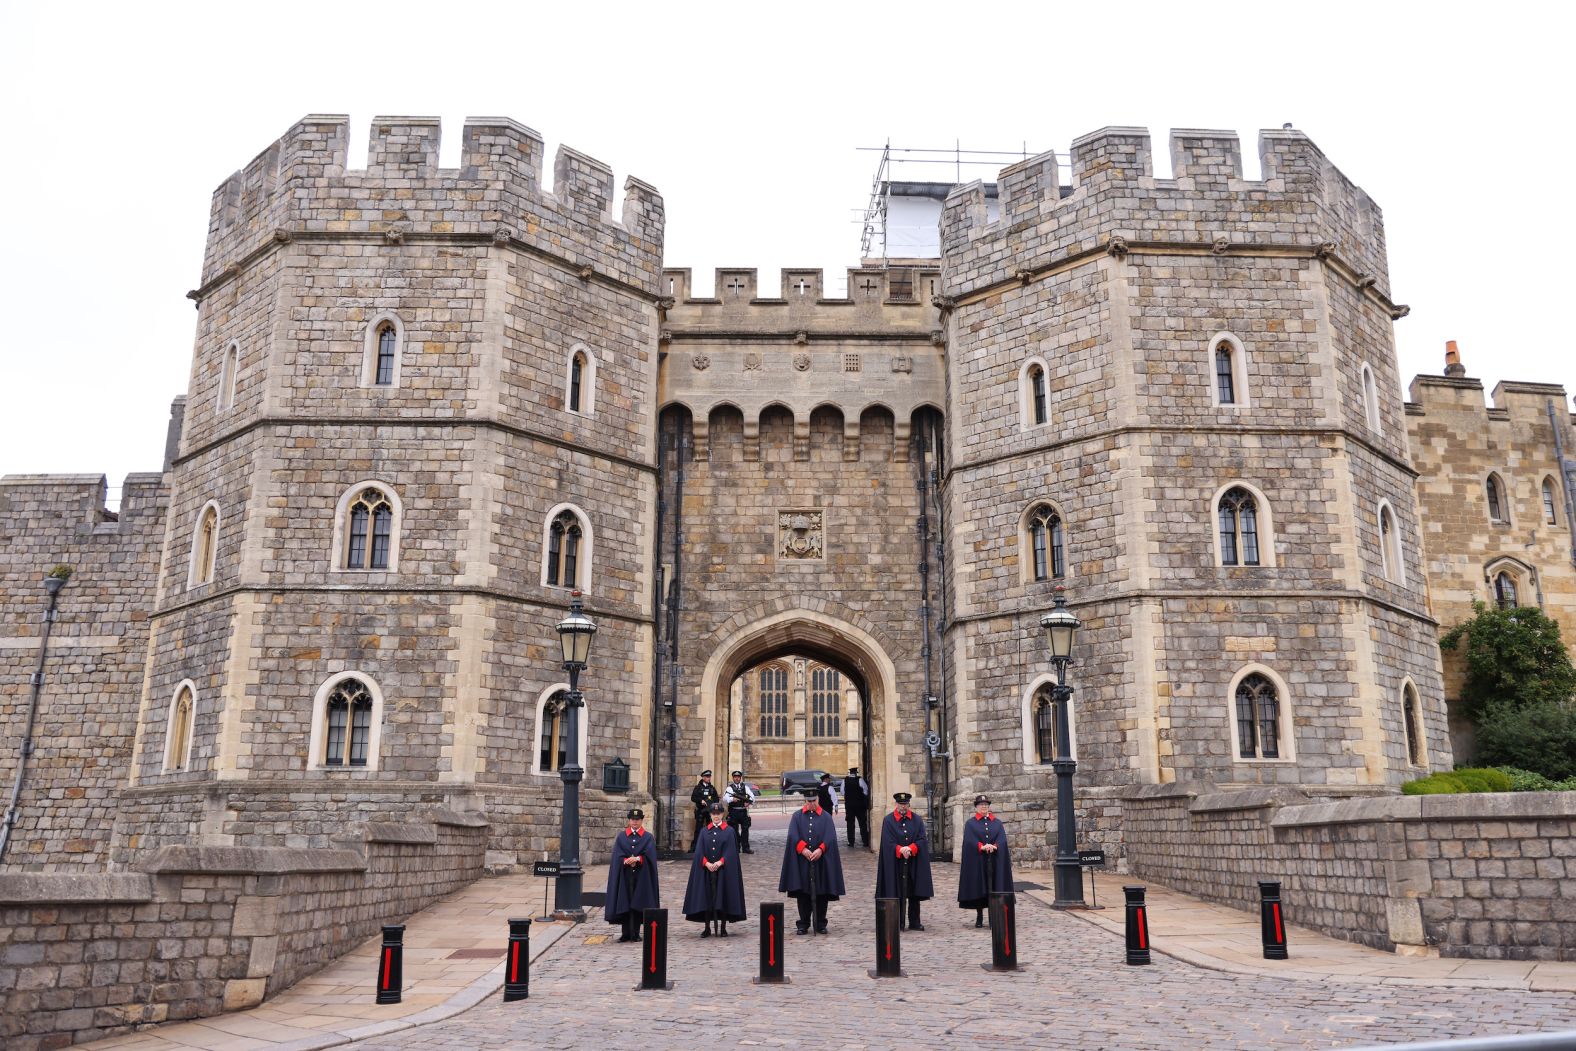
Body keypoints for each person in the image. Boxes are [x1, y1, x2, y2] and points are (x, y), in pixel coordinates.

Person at [779, 786, 846, 934]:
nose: (811, 804)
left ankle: (820, 923)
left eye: (814, 800)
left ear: (818, 799)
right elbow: (793, 835)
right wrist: (803, 849)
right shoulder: (797, 816)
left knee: (821, 892)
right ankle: (803, 923)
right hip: (802, 861)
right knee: (803, 893)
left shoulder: (826, 817)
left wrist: (820, 849)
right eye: (809, 801)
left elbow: (830, 837)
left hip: (821, 861)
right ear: (805, 801)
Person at [682, 802, 746, 937]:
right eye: (713, 814)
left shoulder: (729, 831)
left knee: (722, 898)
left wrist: (720, 862)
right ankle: (707, 927)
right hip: (707, 870)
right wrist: (706, 863)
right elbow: (699, 851)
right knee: (707, 899)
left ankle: (723, 927)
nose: (716, 816)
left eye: (718, 814)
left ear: (722, 814)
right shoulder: (705, 831)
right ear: (710, 815)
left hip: (723, 870)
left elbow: (731, 851)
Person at [875, 792, 933, 931]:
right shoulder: (889, 820)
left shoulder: (917, 820)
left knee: (913, 891)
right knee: (897, 890)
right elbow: (887, 841)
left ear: (909, 804)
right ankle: (898, 921)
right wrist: (900, 849)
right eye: (901, 804)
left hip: (913, 860)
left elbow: (921, 839)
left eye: (905, 804)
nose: (903, 806)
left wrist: (911, 848)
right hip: (896, 862)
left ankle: (914, 921)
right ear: (896, 804)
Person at [603, 807, 660, 942]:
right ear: (629, 820)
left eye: (637, 820)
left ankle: (636, 932)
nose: (635, 822)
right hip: (625, 876)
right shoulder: (622, 837)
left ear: (641, 820)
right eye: (633, 820)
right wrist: (625, 860)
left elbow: (650, 856)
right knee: (624, 902)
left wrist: (639, 859)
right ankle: (625, 933)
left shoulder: (647, 837)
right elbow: (617, 855)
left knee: (639, 902)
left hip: (641, 876)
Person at [957, 794, 1014, 928]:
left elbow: (1001, 839)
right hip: (978, 860)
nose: (984, 807)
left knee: (995, 886)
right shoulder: (971, 823)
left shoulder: (997, 823)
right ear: (976, 807)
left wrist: (995, 846)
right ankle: (979, 916)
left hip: (994, 860)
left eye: (986, 805)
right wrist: (981, 846)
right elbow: (969, 840)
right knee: (980, 888)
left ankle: (994, 916)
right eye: (981, 805)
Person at [723, 770, 757, 853]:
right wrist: (732, 799)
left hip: (743, 812)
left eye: (738, 777)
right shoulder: (729, 788)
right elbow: (724, 798)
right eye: (735, 777)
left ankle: (745, 848)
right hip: (734, 812)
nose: (737, 778)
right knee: (734, 831)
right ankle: (736, 847)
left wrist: (748, 803)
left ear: (740, 778)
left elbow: (752, 797)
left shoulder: (745, 787)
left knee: (745, 830)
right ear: (733, 778)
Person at [689, 769, 719, 851]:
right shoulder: (698, 787)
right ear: (703, 777)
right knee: (698, 829)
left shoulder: (712, 788)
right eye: (706, 776)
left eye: (709, 776)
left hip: (709, 812)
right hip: (701, 811)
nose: (708, 778)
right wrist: (700, 800)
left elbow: (716, 799)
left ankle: (710, 847)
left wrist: (712, 803)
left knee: (711, 829)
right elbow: (693, 798)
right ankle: (695, 847)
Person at [841, 766, 870, 848]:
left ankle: (851, 842)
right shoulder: (859, 779)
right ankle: (865, 841)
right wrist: (861, 796)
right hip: (859, 805)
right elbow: (866, 790)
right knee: (862, 823)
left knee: (850, 824)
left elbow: (842, 792)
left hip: (849, 805)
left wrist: (849, 796)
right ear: (855, 773)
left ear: (850, 773)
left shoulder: (845, 780)